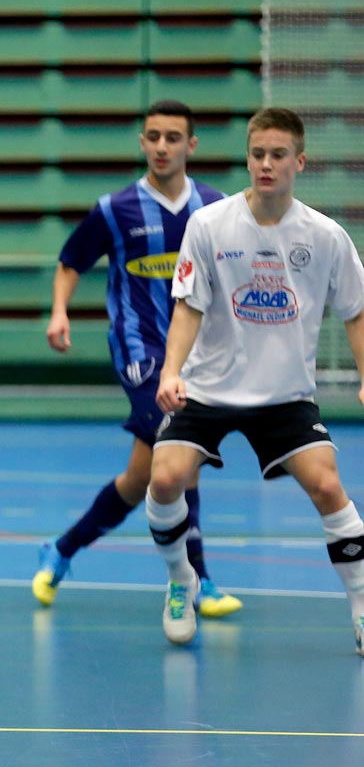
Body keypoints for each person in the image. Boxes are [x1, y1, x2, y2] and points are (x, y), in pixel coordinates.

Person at [147, 107, 364, 650]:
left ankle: (361, 604)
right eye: (257, 154)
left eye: (278, 155)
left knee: (328, 485)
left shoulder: (326, 236)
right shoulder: (210, 225)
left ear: (300, 162)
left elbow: (356, 312)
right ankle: (181, 581)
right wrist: (171, 372)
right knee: (165, 478)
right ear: (248, 157)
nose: (266, 165)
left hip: (285, 394)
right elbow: (187, 308)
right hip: (208, 388)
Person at [34, 100, 242, 617]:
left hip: (198, 355)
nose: (162, 146)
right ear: (142, 142)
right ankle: (197, 583)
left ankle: (61, 550)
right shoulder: (115, 209)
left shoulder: (215, 209)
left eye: (173, 137)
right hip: (138, 350)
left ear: (191, 146)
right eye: (153, 136)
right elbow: (70, 260)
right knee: (181, 446)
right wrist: (60, 311)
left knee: (141, 477)